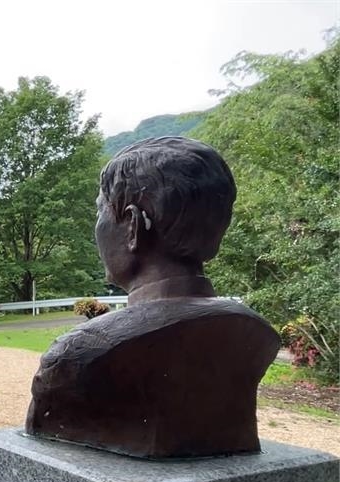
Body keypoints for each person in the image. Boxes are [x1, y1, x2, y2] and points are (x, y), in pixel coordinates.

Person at [25, 137, 279, 458]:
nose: (97, 229)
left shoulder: (80, 353)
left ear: (133, 226)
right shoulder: (257, 332)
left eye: (101, 211)